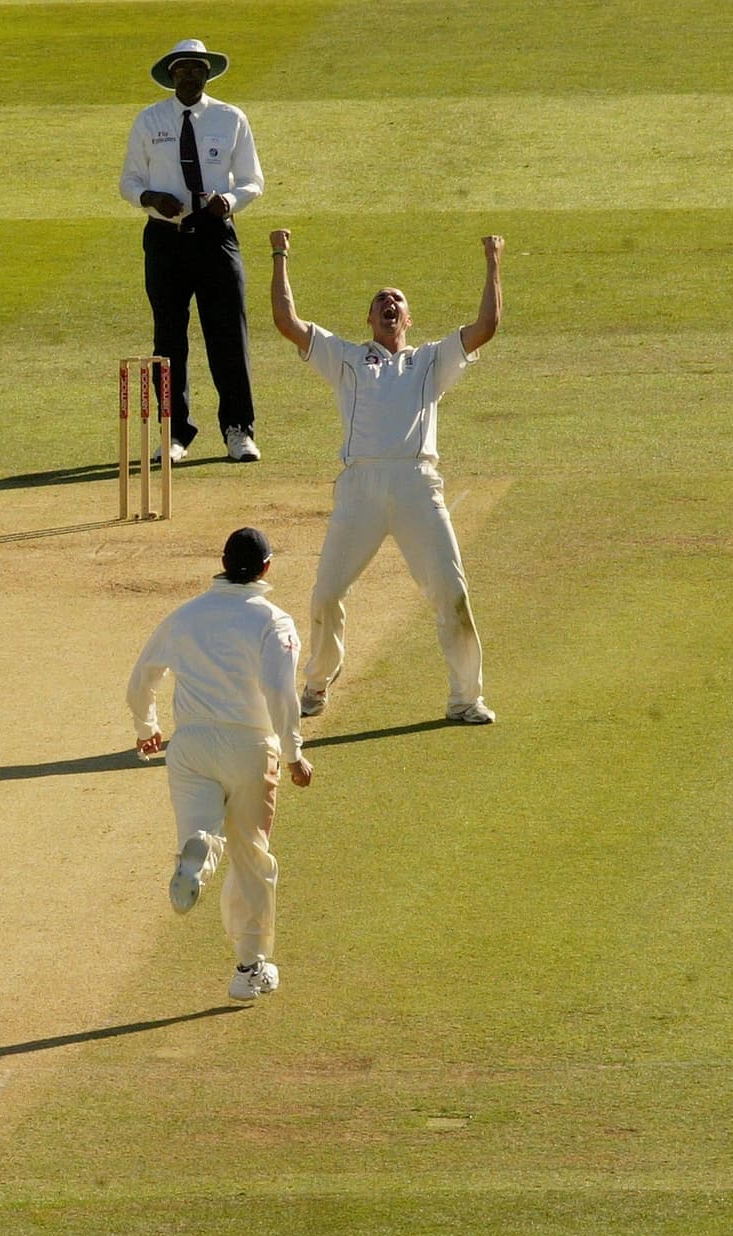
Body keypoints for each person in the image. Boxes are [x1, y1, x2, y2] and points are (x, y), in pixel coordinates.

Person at [269, 228, 504, 725]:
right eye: (380, 300)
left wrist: (493, 261)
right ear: (369, 319)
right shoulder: (347, 358)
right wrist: (279, 253)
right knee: (326, 594)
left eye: (396, 299)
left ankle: (466, 698)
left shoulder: (430, 360)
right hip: (361, 488)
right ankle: (316, 684)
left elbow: (487, 326)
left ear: (408, 318)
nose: (388, 303)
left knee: (452, 593)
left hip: (418, 486)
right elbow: (287, 321)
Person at [128, 528, 312, 1003]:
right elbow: (279, 690)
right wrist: (293, 753)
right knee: (251, 857)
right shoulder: (274, 620)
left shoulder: (185, 615)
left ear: (223, 563)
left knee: (201, 830)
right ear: (267, 568)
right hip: (250, 747)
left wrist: (146, 726)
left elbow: (142, 676)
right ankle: (249, 971)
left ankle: (201, 852)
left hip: (190, 746)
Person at [119, 38, 266, 465]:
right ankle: (174, 432)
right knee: (168, 339)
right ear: (171, 75)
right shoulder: (150, 120)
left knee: (228, 335)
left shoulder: (230, 118)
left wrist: (229, 201)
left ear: (207, 74)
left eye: (198, 69)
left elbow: (253, 180)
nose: (190, 75)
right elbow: (128, 181)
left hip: (215, 235)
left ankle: (239, 430)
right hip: (165, 237)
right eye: (182, 69)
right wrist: (151, 198)